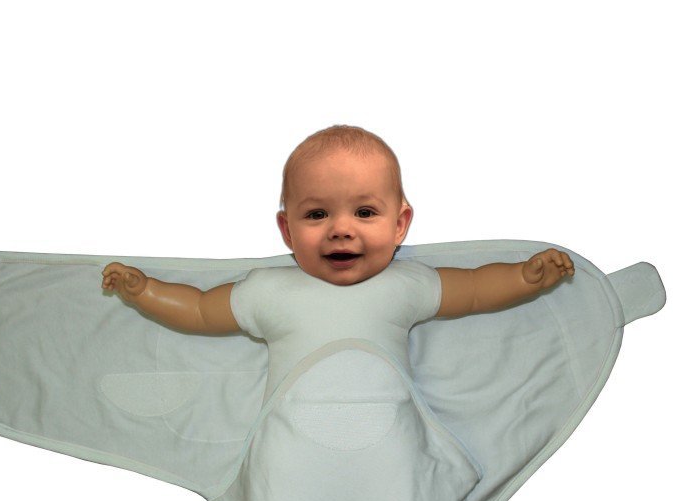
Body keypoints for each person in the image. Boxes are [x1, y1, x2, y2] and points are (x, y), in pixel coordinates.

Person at [101, 124, 574, 353]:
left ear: (400, 225)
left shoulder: (407, 284)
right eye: (317, 214)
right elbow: (202, 311)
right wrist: (146, 291)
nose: (341, 228)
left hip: (391, 448)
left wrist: (525, 277)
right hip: (288, 448)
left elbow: (474, 290)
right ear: (287, 231)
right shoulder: (267, 290)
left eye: (364, 212)